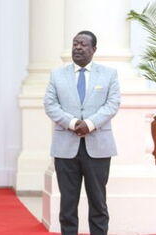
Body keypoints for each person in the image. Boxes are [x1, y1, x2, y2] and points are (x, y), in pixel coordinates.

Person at [44, 30, 120, 235]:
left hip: (98, 148)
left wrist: (90, 124)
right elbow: (50, 105)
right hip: (65, 148)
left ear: (94, 49)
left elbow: (112, 104)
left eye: (83, 44)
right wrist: (73, 123)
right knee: (67, 205)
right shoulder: (57, 74)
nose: (77, 47)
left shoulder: (109, 74)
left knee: (98, 203)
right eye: (75, 43)